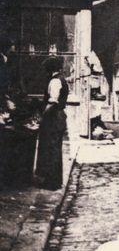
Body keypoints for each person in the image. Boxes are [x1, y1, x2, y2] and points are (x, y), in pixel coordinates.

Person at [35, 56, 68, 190]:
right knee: (54, 148)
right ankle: (53, 180)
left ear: (50, 69)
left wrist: (42, 116)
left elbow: (52, 102)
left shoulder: (55, 81)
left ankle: (52, 182)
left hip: (54, 117)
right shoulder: (60, 80)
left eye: (46, 69)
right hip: (57, 117)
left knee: (52, 149)